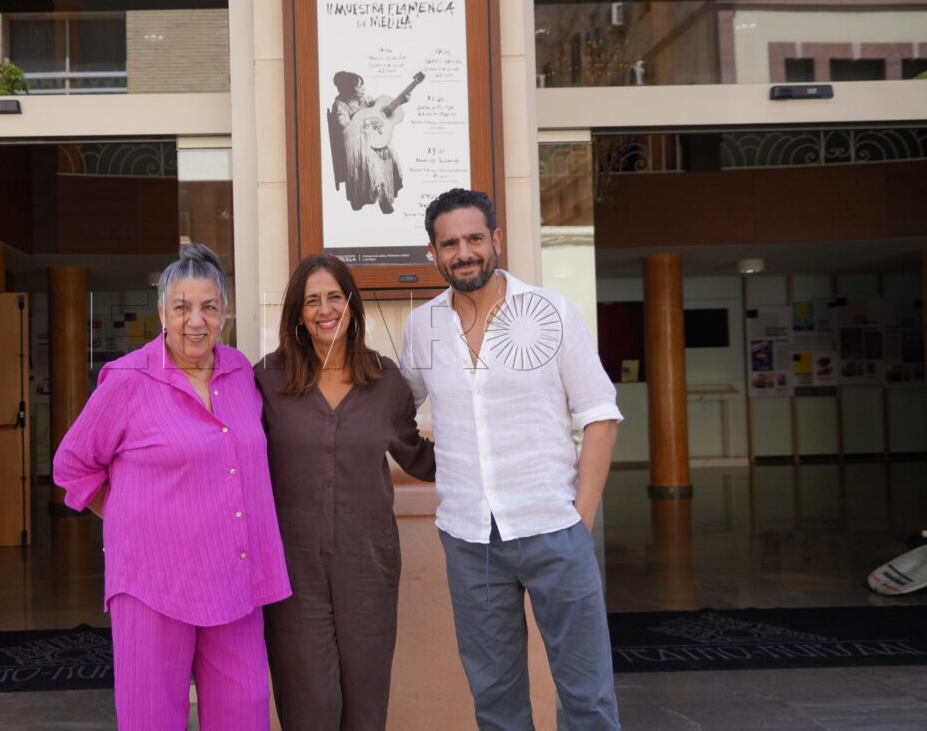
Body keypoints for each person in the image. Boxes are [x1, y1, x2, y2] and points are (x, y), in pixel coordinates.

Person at [400, 189, 623, 731]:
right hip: (469, 537)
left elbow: (600, 414)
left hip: (554, 527)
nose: (464, 252)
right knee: (496, 702)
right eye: (449, 243)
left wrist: (581, 518)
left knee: (587, 695)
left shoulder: (550, 312)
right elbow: (394, 409)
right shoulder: (423, 327)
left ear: (496, 239)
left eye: (474, 238)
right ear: (433, 252)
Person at [53, 243, 290, 731]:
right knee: (151, 718)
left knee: (245, 712)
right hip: (152, 583)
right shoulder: (128, 379)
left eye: (208, 307)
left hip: (234, 578)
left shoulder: (240, 372)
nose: (195, 321)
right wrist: (130, 515)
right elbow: (72, 464)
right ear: (162, 312)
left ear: (224, 313)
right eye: (182, 307)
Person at [254, 253, 434, 731]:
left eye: (334, 296)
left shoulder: (385, 379)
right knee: (308, 706)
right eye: (312, 300)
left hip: (368, 566)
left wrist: (491, 450)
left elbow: (417, 455)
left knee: (365, 707)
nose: (325, 309)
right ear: (298, 314)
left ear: (352, 305)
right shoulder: (266, 378)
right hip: (291, 571)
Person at [327, 70, 403, 213]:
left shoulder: (366, 99)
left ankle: (389, 189)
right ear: (350, 88)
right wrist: (367, 122)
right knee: (370, 158)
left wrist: (401, 101)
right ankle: (382, 194)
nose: (364, 89)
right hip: (354, 143)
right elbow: (346, 128)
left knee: (389, 148)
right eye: (360, 86)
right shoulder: (340, 105)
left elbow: (382, 111)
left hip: (371, 137)